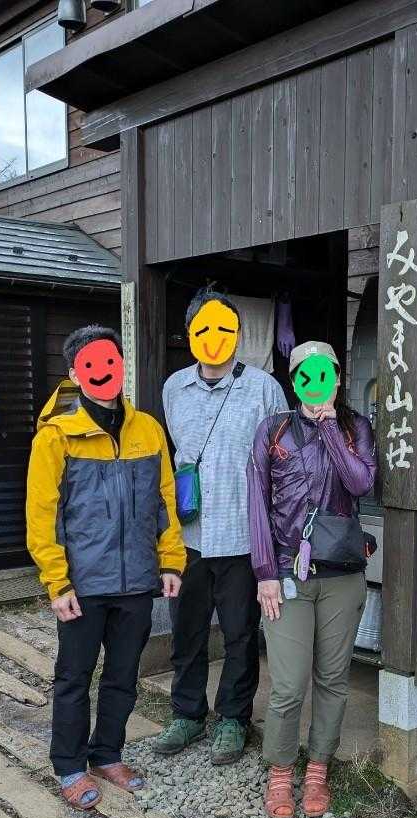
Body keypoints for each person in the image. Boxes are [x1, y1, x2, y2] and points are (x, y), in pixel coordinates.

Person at [26, 325, 186, 811]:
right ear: (75, 374)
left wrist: (171, 560)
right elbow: (42, 516)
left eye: (110, 361)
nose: (102, 372)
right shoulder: (56, 436)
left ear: (121, 366)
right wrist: (57, 582)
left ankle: (107, 754)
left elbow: (165, 500)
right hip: (82, 584)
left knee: (122, 674)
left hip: (136, 580)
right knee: (74, 677)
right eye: (91, 364)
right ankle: (69, 766)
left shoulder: (148, 430)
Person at [247, 341, 376, 818]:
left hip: (342, 574)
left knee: (333, 679)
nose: (316, 382)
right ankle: (281, 771)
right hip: (287, 574)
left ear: (337, 379)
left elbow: (361, 483)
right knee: (287, 683)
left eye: (325, 373)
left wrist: (329, 428)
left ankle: (318, 769)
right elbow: (256, 500)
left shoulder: (355, 427)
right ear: (295, 381)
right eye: (305, 373)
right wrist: (265, 573)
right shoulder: (273, 430)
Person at [159, 287, 288, 765]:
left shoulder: (264, 389)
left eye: (223, 328)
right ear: (190, 334)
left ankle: (233, 718)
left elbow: (282, 462)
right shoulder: (174, 388)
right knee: (187, 632)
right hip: (189, 537)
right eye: (204, 328)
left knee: (240, 634)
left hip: (242, 535)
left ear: (238, 333)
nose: (214, 337)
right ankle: (187, 714)